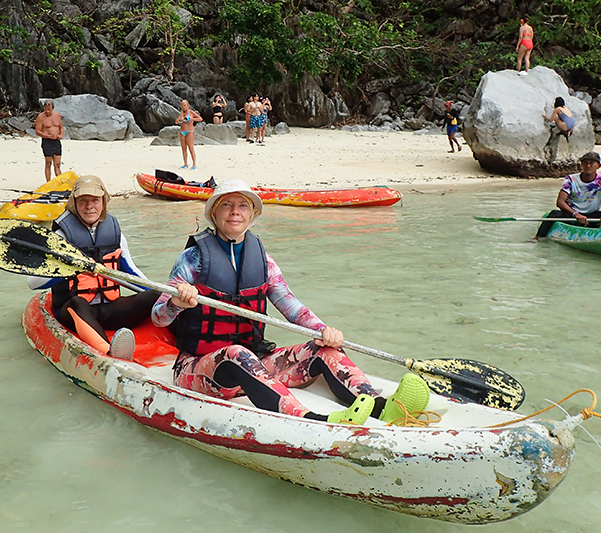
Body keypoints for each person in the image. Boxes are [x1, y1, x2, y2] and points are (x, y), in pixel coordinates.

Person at [151, 179, 431, 426]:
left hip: (254, 364)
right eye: (227, 205)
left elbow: (291, 306)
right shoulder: (192, 259)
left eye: (243, 206)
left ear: (252, 215)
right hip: (200, 370)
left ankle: (383, 409)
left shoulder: (263, 261)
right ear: (214, 212)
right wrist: (177, 302)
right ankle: (313, 421)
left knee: (323, 349)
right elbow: (159, 316)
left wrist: (324, 331)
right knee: (236, 353)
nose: (235, 211)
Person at [28, 175, 158, 359]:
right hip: (75, 311)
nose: (90, 206)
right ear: (74, 203)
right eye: (83, 201)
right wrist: (73, 267)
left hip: (110, 309)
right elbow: (33, 283)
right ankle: (109, 352)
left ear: (103, 202)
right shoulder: (60, 238)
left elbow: (131, 273)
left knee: (155, 295)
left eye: (95, 200)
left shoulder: (115, 234)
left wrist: (165, 296)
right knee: (78, 303)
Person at [534, 151, 601, 238]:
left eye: (592, 163)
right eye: (585, 163)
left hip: (592, 216)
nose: (588, 166)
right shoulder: (571, 179)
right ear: (581, 165)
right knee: (554, 214)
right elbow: (560, 202)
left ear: (598, 165)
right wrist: (576, 214)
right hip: (573, 216)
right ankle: (537, 238)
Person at [35, 99, 65, 182]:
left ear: (53, 108)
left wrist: (61, 134)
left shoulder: (57, 115)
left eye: (49, 109)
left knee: (57, 164)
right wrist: (48, 136)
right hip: (47, 142)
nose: (47, 111)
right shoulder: (41, 117)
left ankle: (60, 182)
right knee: (48, 163)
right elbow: (38, 131)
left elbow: (61, 128)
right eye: (46, 109)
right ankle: (48, 182)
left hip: (56, 141)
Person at [176, 99, 203, 170]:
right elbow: (176, 121)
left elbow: (200, 118)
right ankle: (185, 164)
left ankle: (194, 164)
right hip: (182, 131)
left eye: (185, 105)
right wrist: (180, 120)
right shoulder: (181, 113)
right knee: (183, 148)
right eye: (182, 106)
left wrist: (192, 119)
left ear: (188, 106)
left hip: (189, 131)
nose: (183, 107)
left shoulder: (191, 112)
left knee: (191, 148)